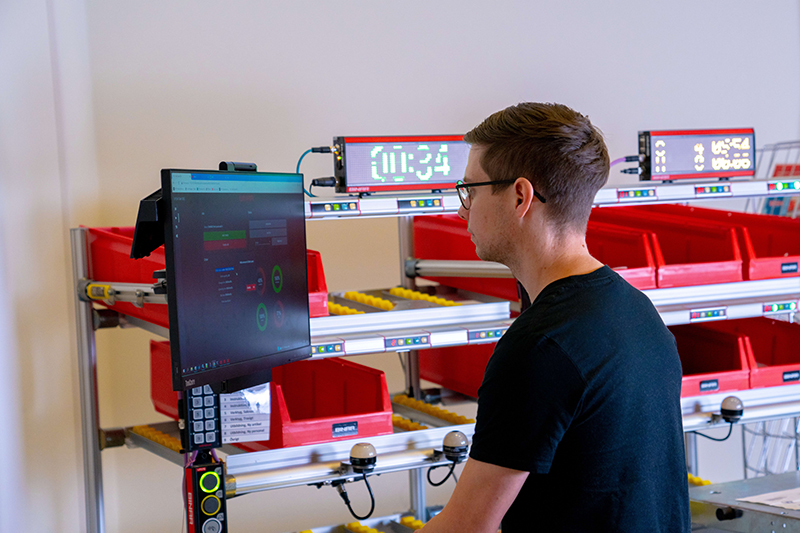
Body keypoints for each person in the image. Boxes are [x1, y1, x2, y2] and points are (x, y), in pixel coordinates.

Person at [421, 103, 689, 532]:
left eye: (470, 190)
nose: (461, 210)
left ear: (520, 196)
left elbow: (466, 528)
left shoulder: (542, 345)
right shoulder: (636, 311)